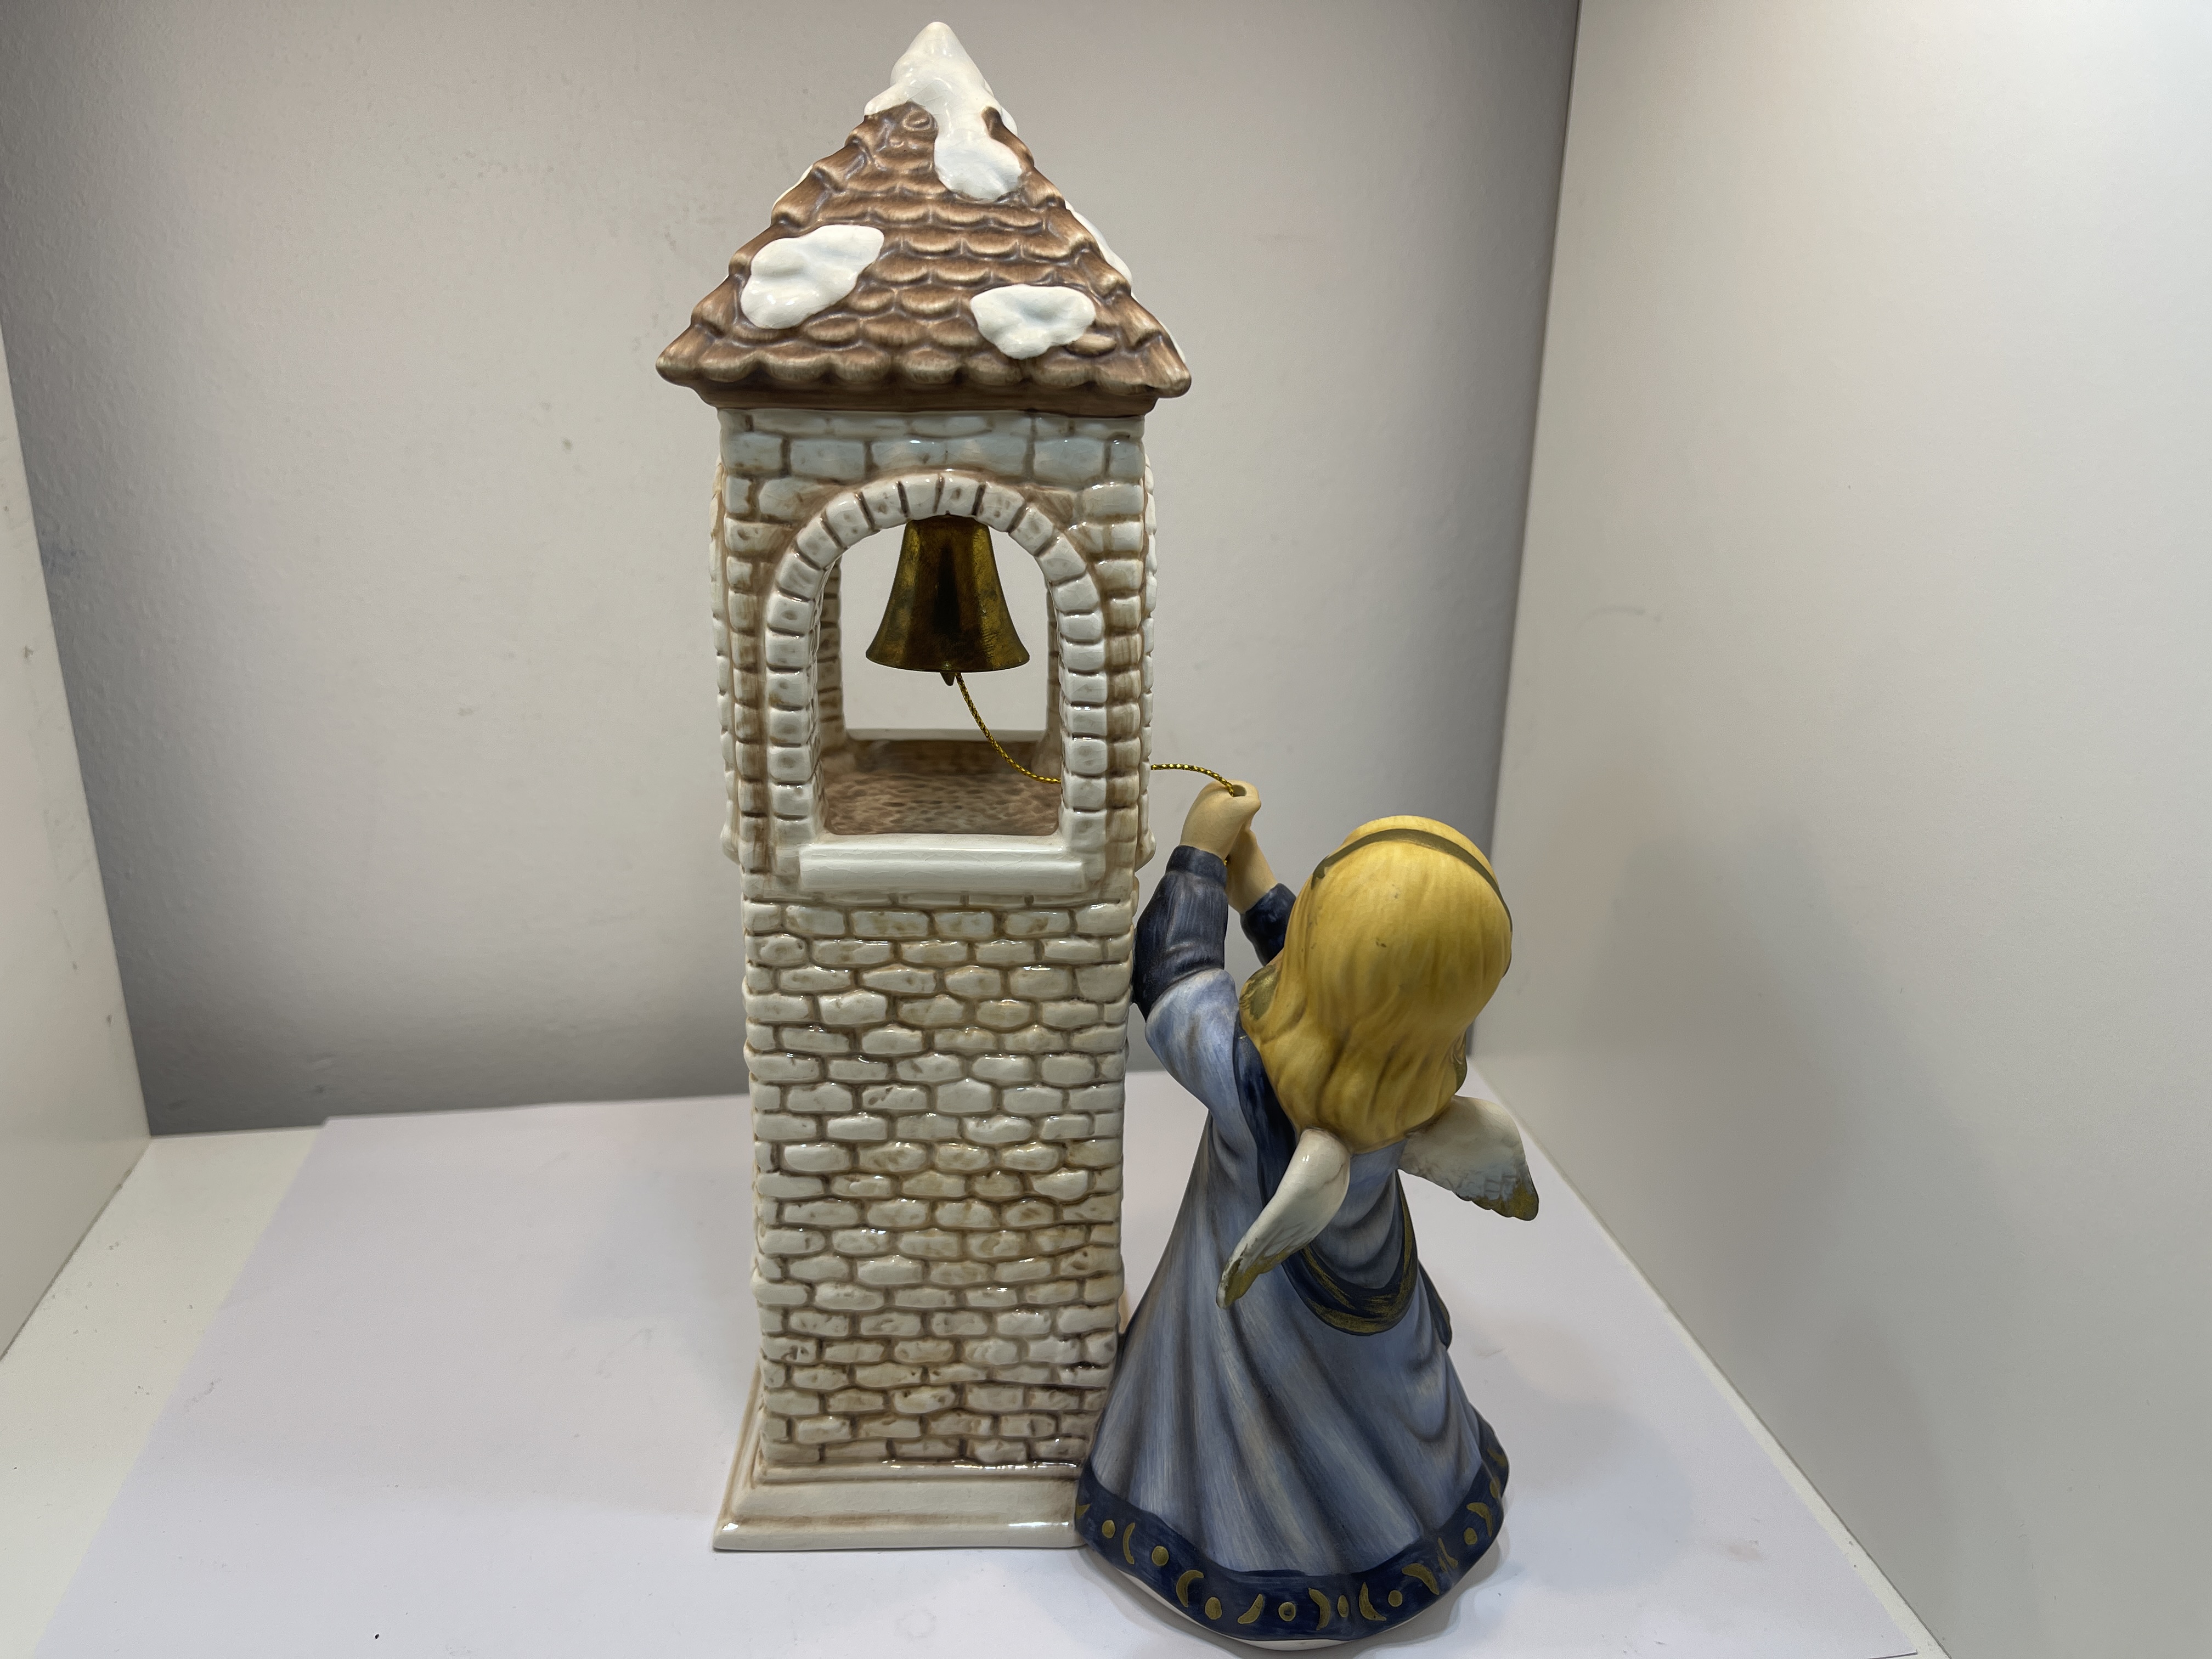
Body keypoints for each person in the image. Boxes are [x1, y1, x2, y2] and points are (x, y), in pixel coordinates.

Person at [1076, 781, 1537, 1644]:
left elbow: (1173, 983)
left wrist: (1198, 858)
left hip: (1254, 1337)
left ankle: (1263, 1559)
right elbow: (1342, 977)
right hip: (1372, 1324)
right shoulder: (1404, 1085)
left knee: (1266, 1434)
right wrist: (1256, 883)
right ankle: (1407, 1520)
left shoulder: (1251, 1080)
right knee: (1372, 1402)